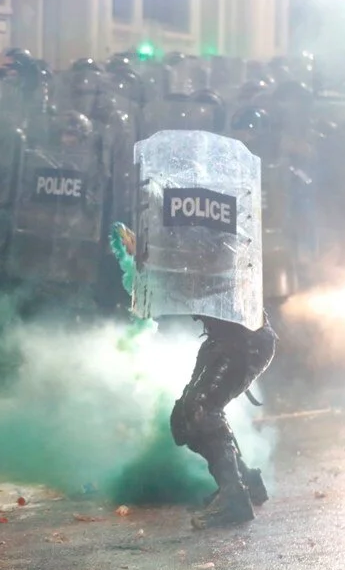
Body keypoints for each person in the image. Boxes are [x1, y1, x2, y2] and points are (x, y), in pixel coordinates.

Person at [115, 224, 277, 530]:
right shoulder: (195, 247)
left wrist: (146, 254)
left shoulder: (220, 243)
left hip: (245, 341)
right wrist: (143, 254)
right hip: (222, 342)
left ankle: (234, 498)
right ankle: (245, 480)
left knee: (202, 412)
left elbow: (188, 276)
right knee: (184, 418)